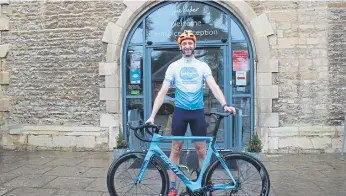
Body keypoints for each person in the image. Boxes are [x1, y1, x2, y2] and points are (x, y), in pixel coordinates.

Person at [145, 30, 236, 196]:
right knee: (176, 149)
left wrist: (225, 104)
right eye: (184, 43)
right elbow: (163, 91)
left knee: (201, 150)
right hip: (180, 112)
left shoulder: (202, 66)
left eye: (190, 43)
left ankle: (204, 184)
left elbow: (214, 86)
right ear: (180, 46)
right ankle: (172, 187)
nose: (187, 46)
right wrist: (152, 115)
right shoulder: (174, 66)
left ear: (194, 45)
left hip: (197, 113)